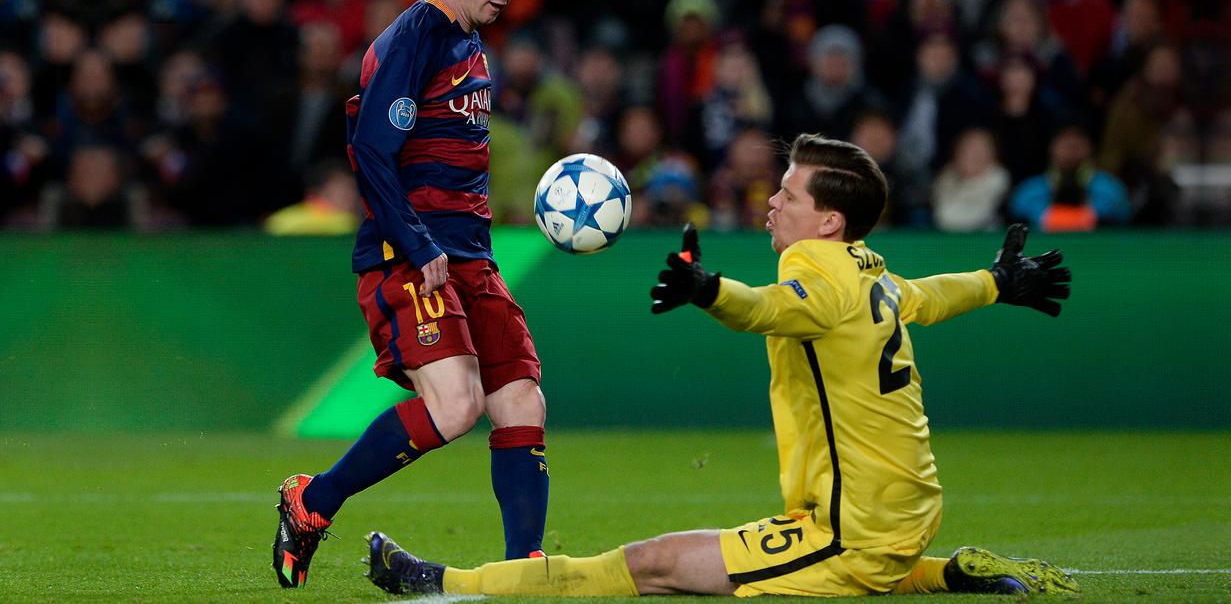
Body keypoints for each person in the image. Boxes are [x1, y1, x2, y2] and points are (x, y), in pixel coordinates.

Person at [362, 134, 1079, 598]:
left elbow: (771, 309)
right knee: (818, 568)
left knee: (652, 566)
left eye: (789, 194)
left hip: (848, 532)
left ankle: (443, 582)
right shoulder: (868, 269)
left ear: (828, 221)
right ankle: (952, 573)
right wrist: (995, 282)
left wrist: (709, 291)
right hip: (897, 515)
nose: (772, 202)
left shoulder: (815, 269)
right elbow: (925, 296)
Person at [272, 0, 548, 589]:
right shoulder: (413, 37)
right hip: (411, 258)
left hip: (471, 258)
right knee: (456, 406)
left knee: (521, 400)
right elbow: (370, 151)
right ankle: (313, 500)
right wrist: (417, 243)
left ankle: (525, 571)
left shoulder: (469, 42)